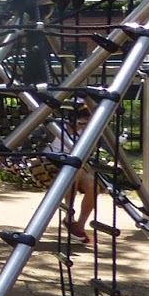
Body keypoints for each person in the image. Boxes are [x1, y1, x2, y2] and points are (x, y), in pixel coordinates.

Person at [47, 104, 99, 245]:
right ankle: (69, 215)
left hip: (76, 167)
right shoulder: (56, 128)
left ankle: (80, 225)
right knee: (75, 167)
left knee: (93, 185)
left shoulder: (86, 132)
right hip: (51, 165)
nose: (85, 121)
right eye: (83, 118)